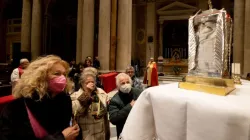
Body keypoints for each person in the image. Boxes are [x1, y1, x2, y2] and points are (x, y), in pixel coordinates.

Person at [0, 55, 80, 140]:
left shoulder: (65, 100)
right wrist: (61, 137)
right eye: (57, 74)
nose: (63, 78)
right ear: (40, 77)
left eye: (64, 74)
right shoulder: (16, 108)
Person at [71, 72, 110, 140]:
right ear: (82, 84)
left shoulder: (100, 92)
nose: (91, 84)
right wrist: (87, 92)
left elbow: (105, 111)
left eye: (92, 81)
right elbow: (76, 111)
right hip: (87, 135)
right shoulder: (75, 95)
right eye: (87, 82)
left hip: (101, 133)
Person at [108, 73, 142, 138]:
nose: (126, 85)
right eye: (123, 83)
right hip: (124, 131)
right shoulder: (115, 100)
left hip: (139, 130)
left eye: (127, 82)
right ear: (118, 86)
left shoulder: (139, 93)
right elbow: (113, 119)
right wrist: (130, 106)